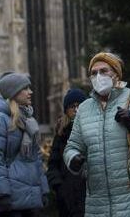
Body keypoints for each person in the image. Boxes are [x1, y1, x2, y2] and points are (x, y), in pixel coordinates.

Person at [63, 52, 130, 216]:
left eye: (103, 71)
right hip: (97, 206)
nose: (98, 76)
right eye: (93, 73)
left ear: (116, 73)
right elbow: (72, 146)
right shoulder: (84, 109)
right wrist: (73, 158)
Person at [0, 71, 49, 216]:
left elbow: (36, 159)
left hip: (30, 199)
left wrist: (44, 190)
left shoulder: (28, 121)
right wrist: (3, 194)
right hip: (11, 200)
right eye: (25, 88)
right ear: (13, 92)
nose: (30, 92)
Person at [47, 88, 88, 217]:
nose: (76, 110)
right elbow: (53, 164)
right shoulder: (61, 133)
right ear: (66, 110)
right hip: (68, 197)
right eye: (72, 106)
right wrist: (59, 188)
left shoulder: (93, 129)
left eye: (79, 105)